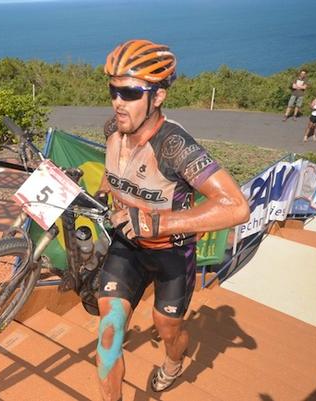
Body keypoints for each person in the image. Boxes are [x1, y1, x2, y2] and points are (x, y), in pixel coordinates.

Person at [95, 39, 250, 401]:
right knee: (108, 334)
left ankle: (174, 362)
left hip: (171, 253)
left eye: (131, 92)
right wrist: (105, 189)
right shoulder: (112, 128)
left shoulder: (174, 146)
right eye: (113, 90)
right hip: (127, 246)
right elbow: (117, 172)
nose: (118, 101)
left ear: (158, 97)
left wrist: (161, 224)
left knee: (167, 329)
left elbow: (236, 206)